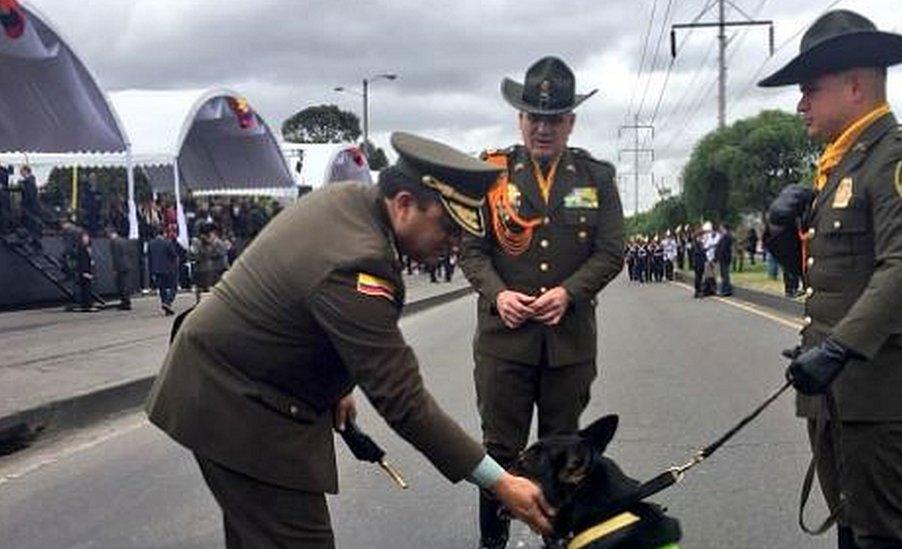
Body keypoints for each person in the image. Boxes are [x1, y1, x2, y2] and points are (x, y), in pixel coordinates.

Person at [146, 132, 554, 549]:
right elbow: (404, 400)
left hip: (229, 383)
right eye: (449, 228)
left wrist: (338, 385)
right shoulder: (359, 262)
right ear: (405, 204)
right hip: (237, 408)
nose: (455, 243)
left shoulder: (353, 201)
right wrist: (500, 482)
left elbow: (308, 312)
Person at [761, 10, 902, 548]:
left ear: (853, 86)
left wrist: (837, 348)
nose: (800, 105)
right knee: (851, 529)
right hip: (837, 388)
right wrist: (779, 232)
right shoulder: (841, 167)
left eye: (809, 90)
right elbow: (825, 277)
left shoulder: (901, 157)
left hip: (883, 388)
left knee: (879, 536)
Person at [459, 56, 624, 549]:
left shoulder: (595, 177)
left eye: (554, 119)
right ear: (520, 120)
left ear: (571, 122)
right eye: (534, 118)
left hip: (567, 346)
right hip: (504, 345)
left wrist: (569, 293)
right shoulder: (490, 175)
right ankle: (494, 544)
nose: (543, 128)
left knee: (568, 460)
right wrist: (498, 293)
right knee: (498, 456)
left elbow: (611, 251)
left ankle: (560, 542)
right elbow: (471, 249)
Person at [148, 227, 180, 315]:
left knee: (162, 288)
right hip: (169, 269)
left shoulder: (151, 244)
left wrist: (152, 271)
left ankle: (165, 304)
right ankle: (168, 302)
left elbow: (150, 259)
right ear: (164, 233)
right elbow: (173, 255)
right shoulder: (168, 243)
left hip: (157, 270)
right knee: (174, 287)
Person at [108, 229, 132, 310]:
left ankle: (124, 302)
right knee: (126, 284)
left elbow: (116, 256)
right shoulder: (124, 241)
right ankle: (127, 300)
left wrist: (115, 268)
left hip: (120, 266)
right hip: (127, 264)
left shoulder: (114, 243)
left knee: (121, 285)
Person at [716, 223, 734, 296]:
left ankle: (727, 289)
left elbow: (723, 248)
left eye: (721, 228)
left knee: (725, 274)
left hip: (725, 257)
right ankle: (725, 288)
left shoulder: (727, 237)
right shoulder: (723, 236)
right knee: (723, 274)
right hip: (722, 258)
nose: (720, 229)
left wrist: (719, 254)